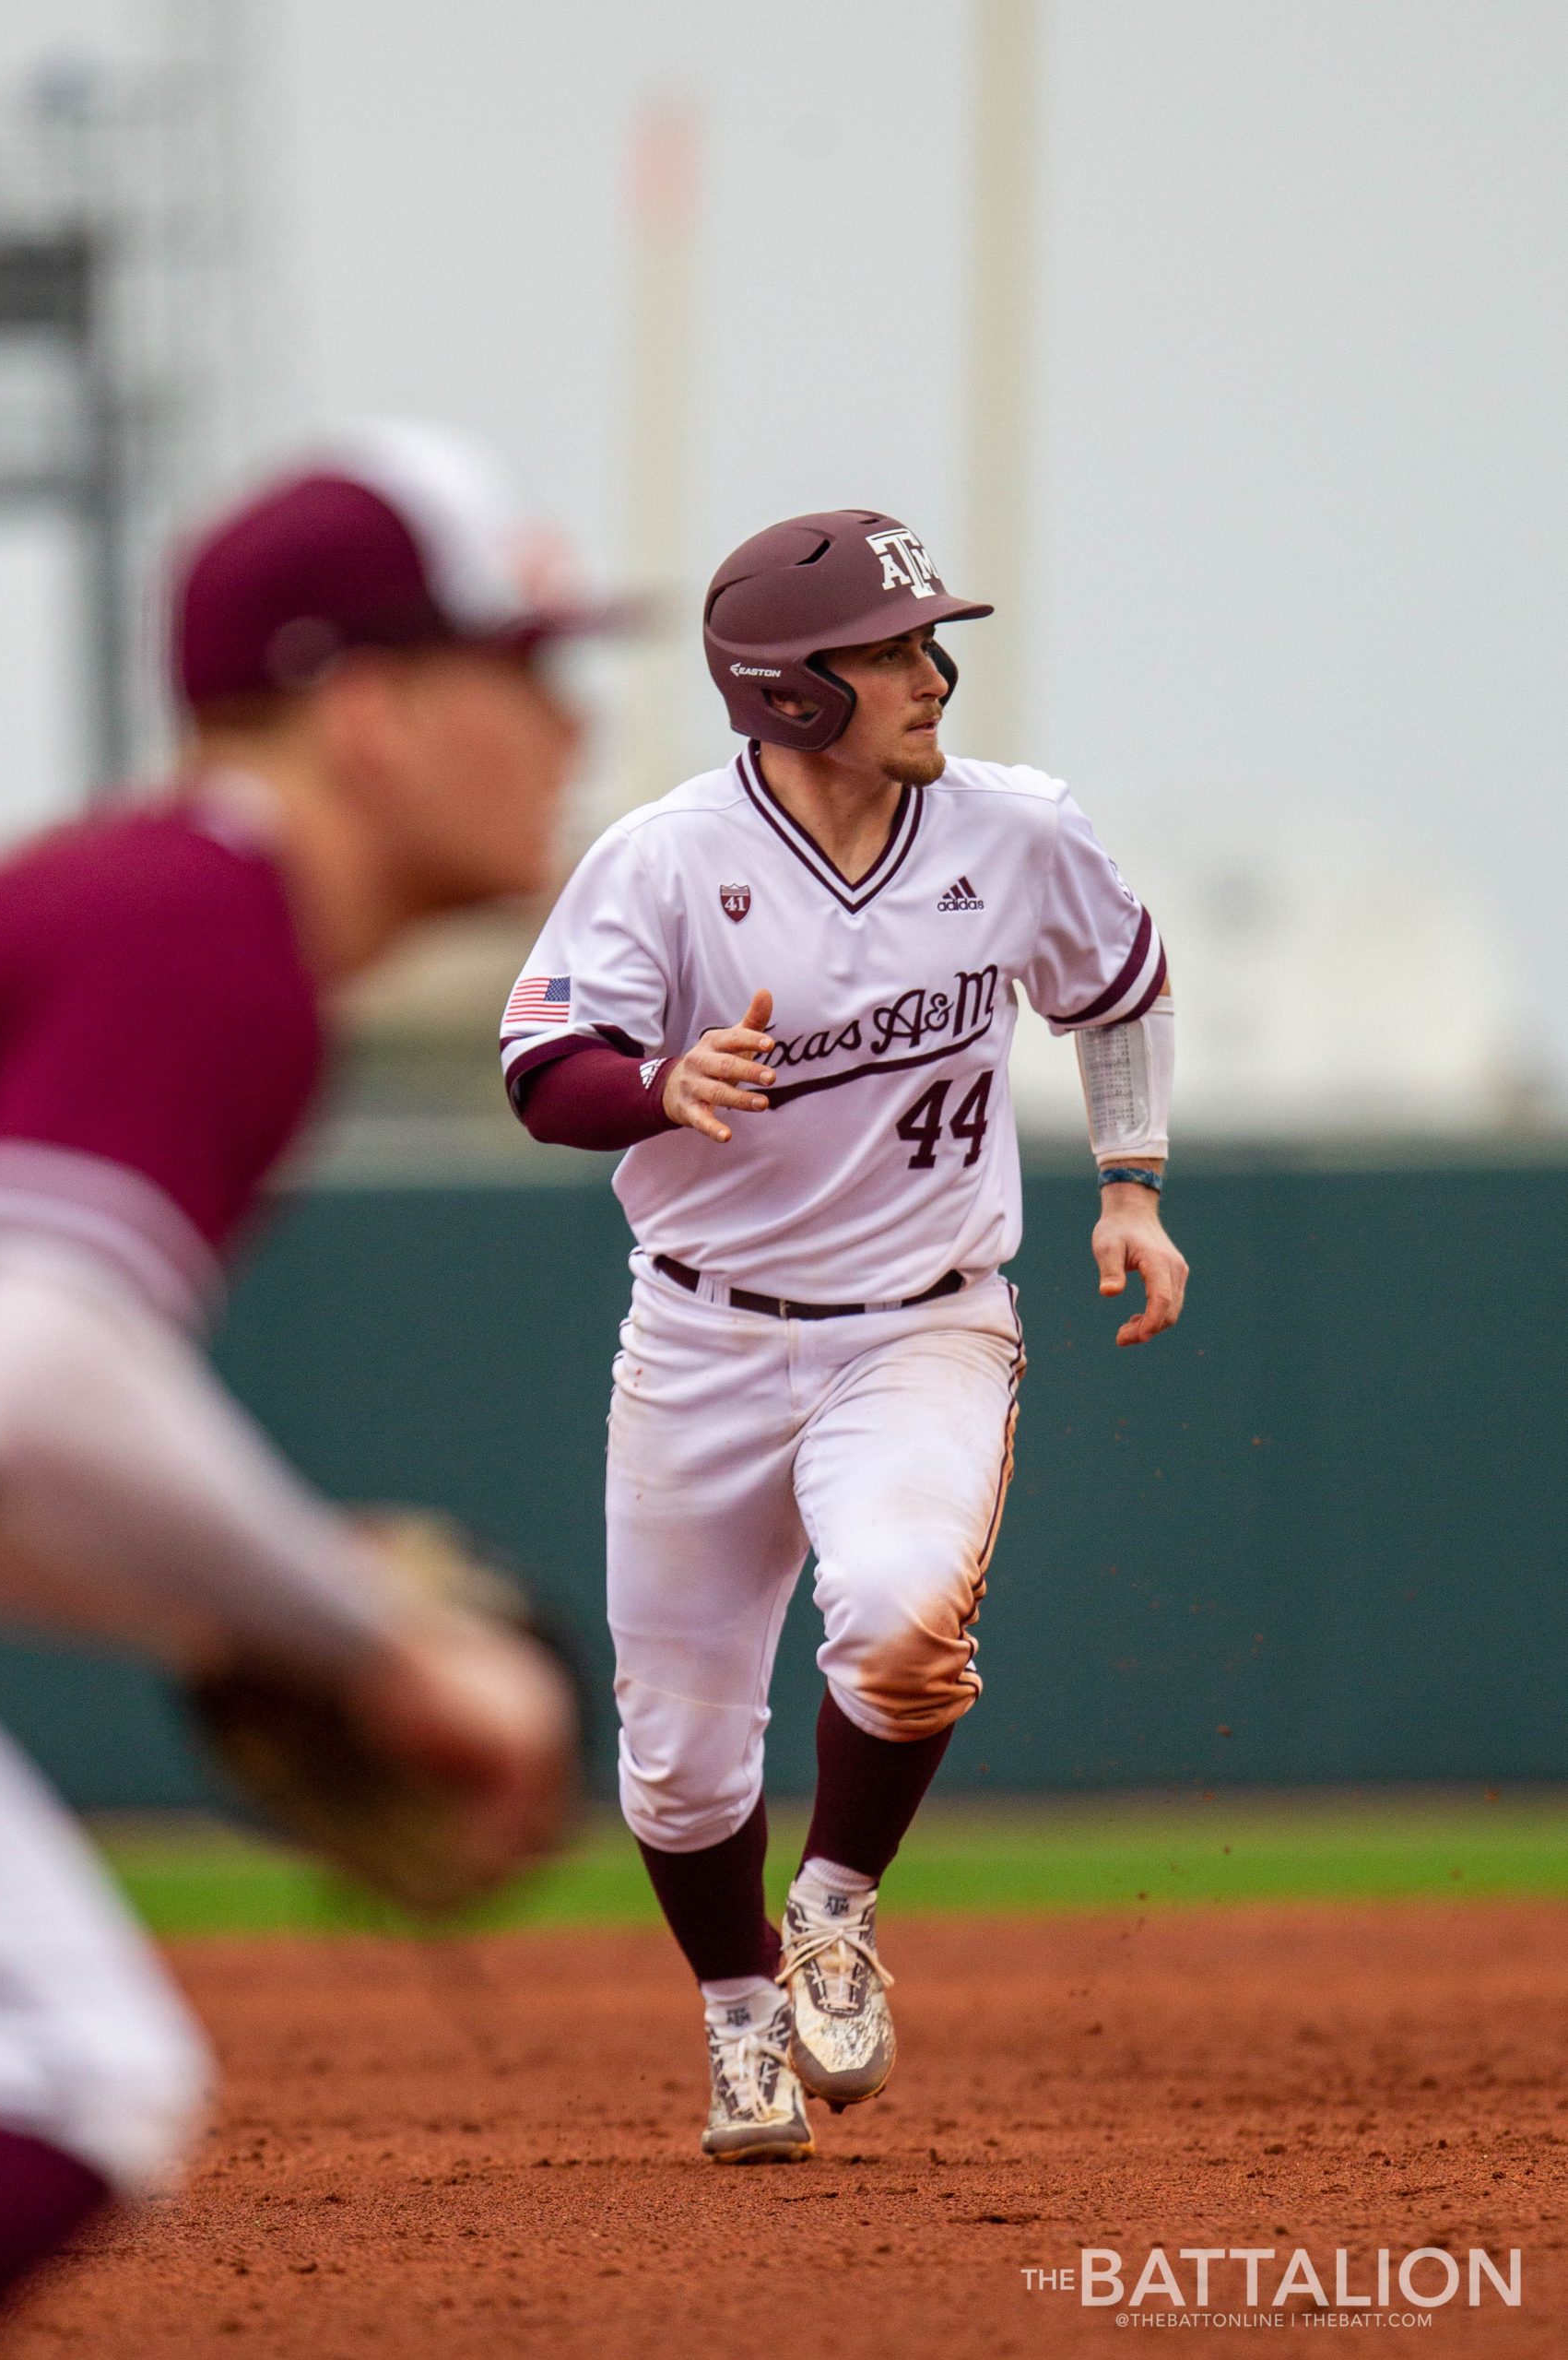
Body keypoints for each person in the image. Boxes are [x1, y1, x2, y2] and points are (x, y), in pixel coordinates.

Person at [0, 421, 626, 2296]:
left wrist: (239, 1613)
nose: (568, 732)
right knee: (77, 2073)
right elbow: (33, 1381)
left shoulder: (140, 902)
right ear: (366, 710)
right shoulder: (207, 929)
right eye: (517, 669)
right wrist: (376, 1635)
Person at [501, 508, 1187, 2162]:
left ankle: (833, 1903)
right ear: (787, 690)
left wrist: (1132, 1184)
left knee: (896, 1622)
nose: (931, 671)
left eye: (928, 640)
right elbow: (539, 1069)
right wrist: (658, 1085)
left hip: (924, 1320)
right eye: (886, 650)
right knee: (673, 1763)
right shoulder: (667, 858)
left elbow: (1118, 989)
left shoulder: (1012, 828)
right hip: (702, 1341)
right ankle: (741, 2022)